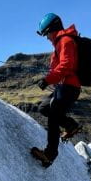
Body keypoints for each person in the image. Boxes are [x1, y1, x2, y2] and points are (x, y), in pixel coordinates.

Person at [30, 13, 82, 168]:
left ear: (53, 28)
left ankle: (49, 154)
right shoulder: (60, 43)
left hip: (69, 87)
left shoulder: (65, 41)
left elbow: (66, 65)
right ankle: (70, 125)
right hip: (63, 87)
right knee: (44, 108)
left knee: (53, 116)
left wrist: (47, 80)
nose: (47, 38)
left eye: (47, 33)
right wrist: (50, 78)